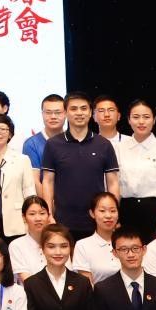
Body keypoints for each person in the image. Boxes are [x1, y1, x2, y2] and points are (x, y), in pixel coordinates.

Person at [41, 92, 119, 240]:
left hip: (97, 222)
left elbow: (113, 182)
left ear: (90, 113)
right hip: (62, 222)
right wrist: (49, 214)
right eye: (73, 109)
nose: (79, 113)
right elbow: (48, 181)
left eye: (84, 108)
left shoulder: (104, 144)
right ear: (65, 113)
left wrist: (113, 214)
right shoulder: (53, 144)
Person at [117, 99, 156, 235]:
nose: (141, 122)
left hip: (155, 210)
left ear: (154, 120)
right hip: (126, 209)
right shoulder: (119, 148)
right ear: (128, 120)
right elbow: (114, 183)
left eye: (146, 117)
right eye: (136, 117)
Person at [71, 192, 121, 285]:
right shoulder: (83, 245)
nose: (108, 216)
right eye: (102, 211)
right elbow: (87, 285)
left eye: (113, 211)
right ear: (92, 213)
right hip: (97, 294)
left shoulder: (127, 242)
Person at [22, 93, 66, 189]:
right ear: (42, 114)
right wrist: (48, 198)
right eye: (48, 112)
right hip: (44, 197)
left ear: (66, 113)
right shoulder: (31, 144)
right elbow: (34, 181)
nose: (53, 116)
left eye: (58, 112)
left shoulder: (72, 140)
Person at [8, 196, 50, 283]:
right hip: (29, 291)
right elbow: (26, 280)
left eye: (42, 213)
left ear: (48, 216)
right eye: (32, 214)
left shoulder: (58, 242)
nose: (38, 218)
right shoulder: (16, 245)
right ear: (24, 217)